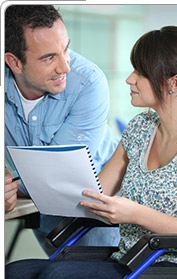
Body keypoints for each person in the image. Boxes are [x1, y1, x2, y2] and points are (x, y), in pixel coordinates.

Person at [5, 26, 177, 279]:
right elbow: (95, 191)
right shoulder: (141, 127)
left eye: (140, 72)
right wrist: (24, 185)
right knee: (11, 278)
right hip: (134, 260)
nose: (130, 79)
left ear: (174, 83)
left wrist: (138, 215)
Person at [4, 5, 120, 254]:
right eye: (49, 58)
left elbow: (57, 176)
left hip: (97, 216)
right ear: (14, 62)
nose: (65, 67)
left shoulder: (88, 83)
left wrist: (10, 184)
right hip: (44, 218)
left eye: (65, 49)